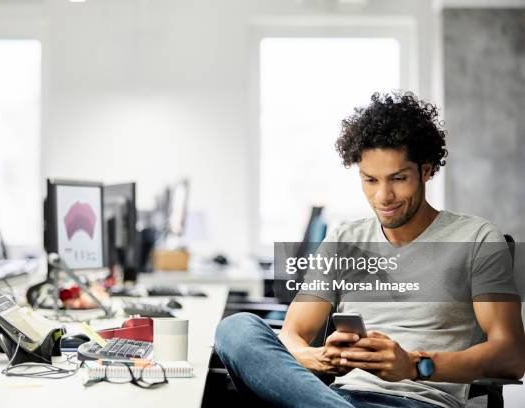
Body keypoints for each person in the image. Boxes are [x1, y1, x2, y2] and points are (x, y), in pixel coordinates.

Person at [214, 92, 525, 408]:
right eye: (370, 180)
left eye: (398, 179)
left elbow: (511, 355)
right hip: (332, 398)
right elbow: (292, 336)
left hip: (415, 402)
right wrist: (321, 358)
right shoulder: (345, 239)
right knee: (235, 328)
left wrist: (415, 365)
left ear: (427, 170)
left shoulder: (478, 238)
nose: (383, 196)